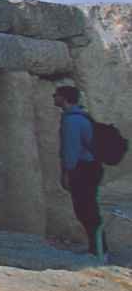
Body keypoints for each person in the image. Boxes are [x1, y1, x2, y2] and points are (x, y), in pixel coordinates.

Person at [56, 85, 103, 256]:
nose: (54, 98)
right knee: (89, 207)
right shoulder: (82, 116)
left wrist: (67, 173)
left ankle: (99, 249)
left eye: (56, 95)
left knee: (85, 209)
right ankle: (97, 247)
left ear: (64, 98)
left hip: (82, 169)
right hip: (91, 168)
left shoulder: (72, 120)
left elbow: (71, 151)